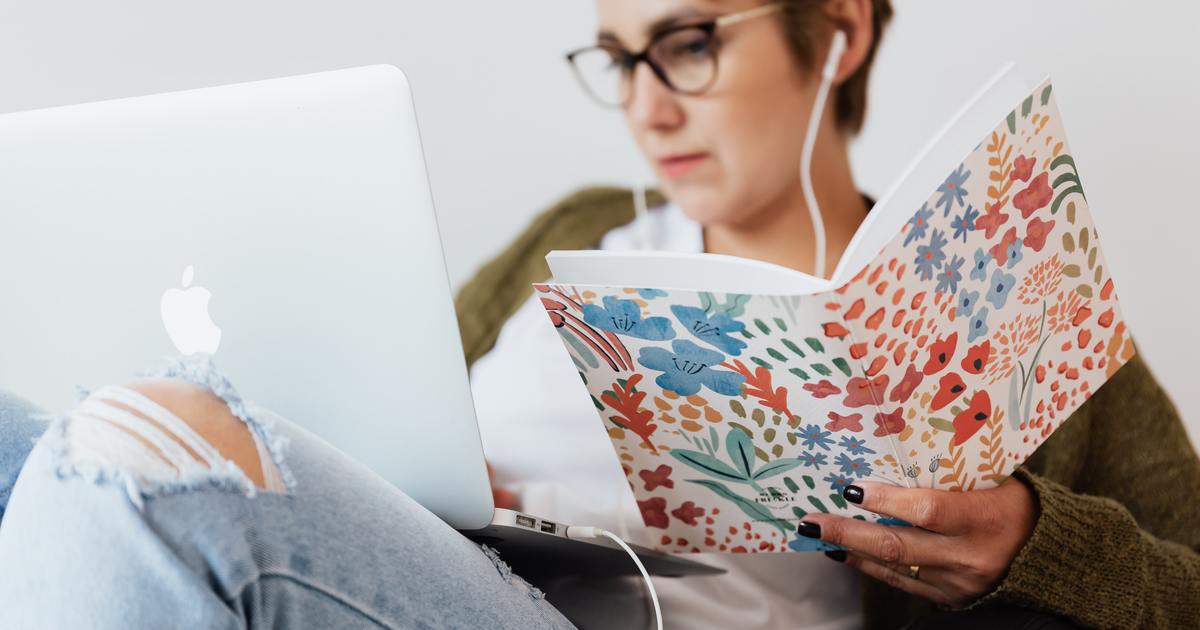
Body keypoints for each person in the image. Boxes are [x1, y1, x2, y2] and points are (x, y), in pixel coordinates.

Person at [0, 2, 1197, 630]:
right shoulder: (573, 232)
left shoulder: (994, 296)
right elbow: (397, 411)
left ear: (839, 26)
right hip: (438, 572)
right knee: (34, 437)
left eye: (686, 46)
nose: (648, 108)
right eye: (621, 58)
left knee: (136, 452)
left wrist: (1035, 543)